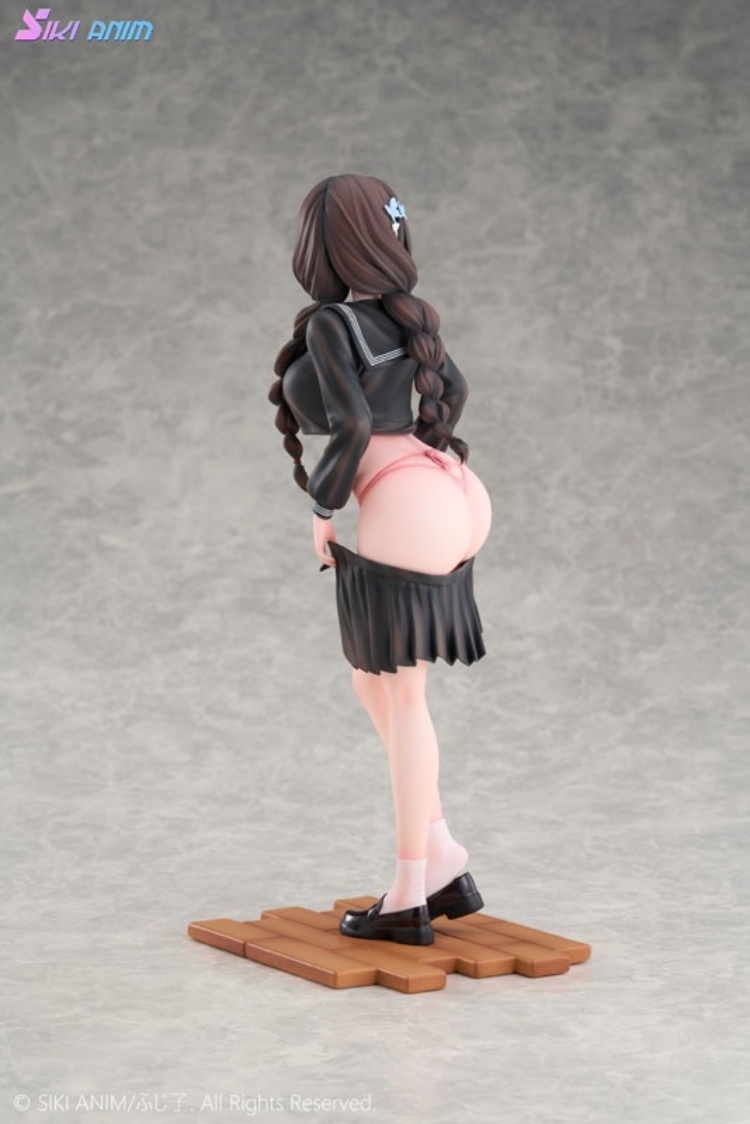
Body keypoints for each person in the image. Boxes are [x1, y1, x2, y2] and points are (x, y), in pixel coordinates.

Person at [269, 174, 492, 945]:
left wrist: (323, 508)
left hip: (406, 502)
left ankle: (406, 892)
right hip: (452, 489)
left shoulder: (336, 322)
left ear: (324, 244)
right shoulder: (410, 316)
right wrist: (427, 452)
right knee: (373, 684)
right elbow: (454, 390)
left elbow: (354, 426)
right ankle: (440, 851)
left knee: (402, 696)